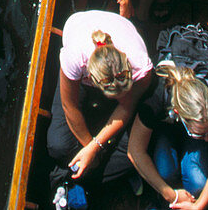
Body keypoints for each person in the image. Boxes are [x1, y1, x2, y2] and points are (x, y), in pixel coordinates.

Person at [48, 10, 153, 203]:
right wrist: (91, 149)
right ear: (93, 81)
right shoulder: (75, 56)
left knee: (134, 155)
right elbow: (69, 106)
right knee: (58, 146)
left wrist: (94, 148)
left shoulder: (140, 63)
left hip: (118, 77)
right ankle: (98, 176)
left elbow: (127, 105)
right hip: (83, 72)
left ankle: (70, 178)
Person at [128, 53, 208, 210]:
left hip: (191, 130)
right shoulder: (157, 96)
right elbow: (134, 151)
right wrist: (170, 195)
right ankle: (158, 202)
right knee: (165, 172)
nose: (207, 139)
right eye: (201, 134)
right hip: (165, 127)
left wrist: (198, 206)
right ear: (178, 113)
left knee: (198, 183)